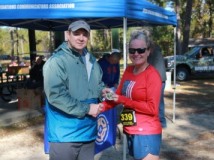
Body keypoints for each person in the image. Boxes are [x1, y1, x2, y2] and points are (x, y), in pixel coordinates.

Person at [43, 20, 104, 160]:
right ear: (67, 35)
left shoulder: (91, 60)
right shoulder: (57, 62)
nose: (81, 38)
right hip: (65, 135)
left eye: (85, 34)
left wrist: (103, 91)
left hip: (89, 133)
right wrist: (88, 108)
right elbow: (56, 96)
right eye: (76, 33)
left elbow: (98, 84)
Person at [101, 29, 162, 160]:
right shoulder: (128, 70)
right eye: (132, 50)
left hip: (146, 132)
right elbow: (117, 95)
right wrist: (101, 106)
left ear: (148, 51)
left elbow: (152, 109)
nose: (136, 54)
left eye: (140, 50)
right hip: (130, 129)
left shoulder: (152, 75)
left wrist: (123, 100)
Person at [148, 44, 167, 128]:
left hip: (158, 80)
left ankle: (161, 122)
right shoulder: (158, 53)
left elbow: (150, 66)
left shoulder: (155, 55)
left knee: (158, 102)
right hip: (161, 79)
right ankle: (161, 121)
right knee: (159, 101)